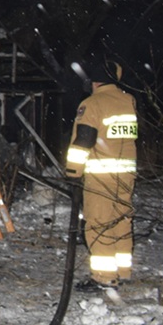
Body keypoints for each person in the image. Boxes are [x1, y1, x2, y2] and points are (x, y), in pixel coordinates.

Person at [64, 57, 138, 292]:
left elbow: (84, 139)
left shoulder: (93, 104)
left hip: (101, 176)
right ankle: (122, 270)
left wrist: (73, 172)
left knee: (98, 224)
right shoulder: (129, 101)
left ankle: (105, 278)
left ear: (93, 81)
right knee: (121, 220)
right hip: (126, 175)